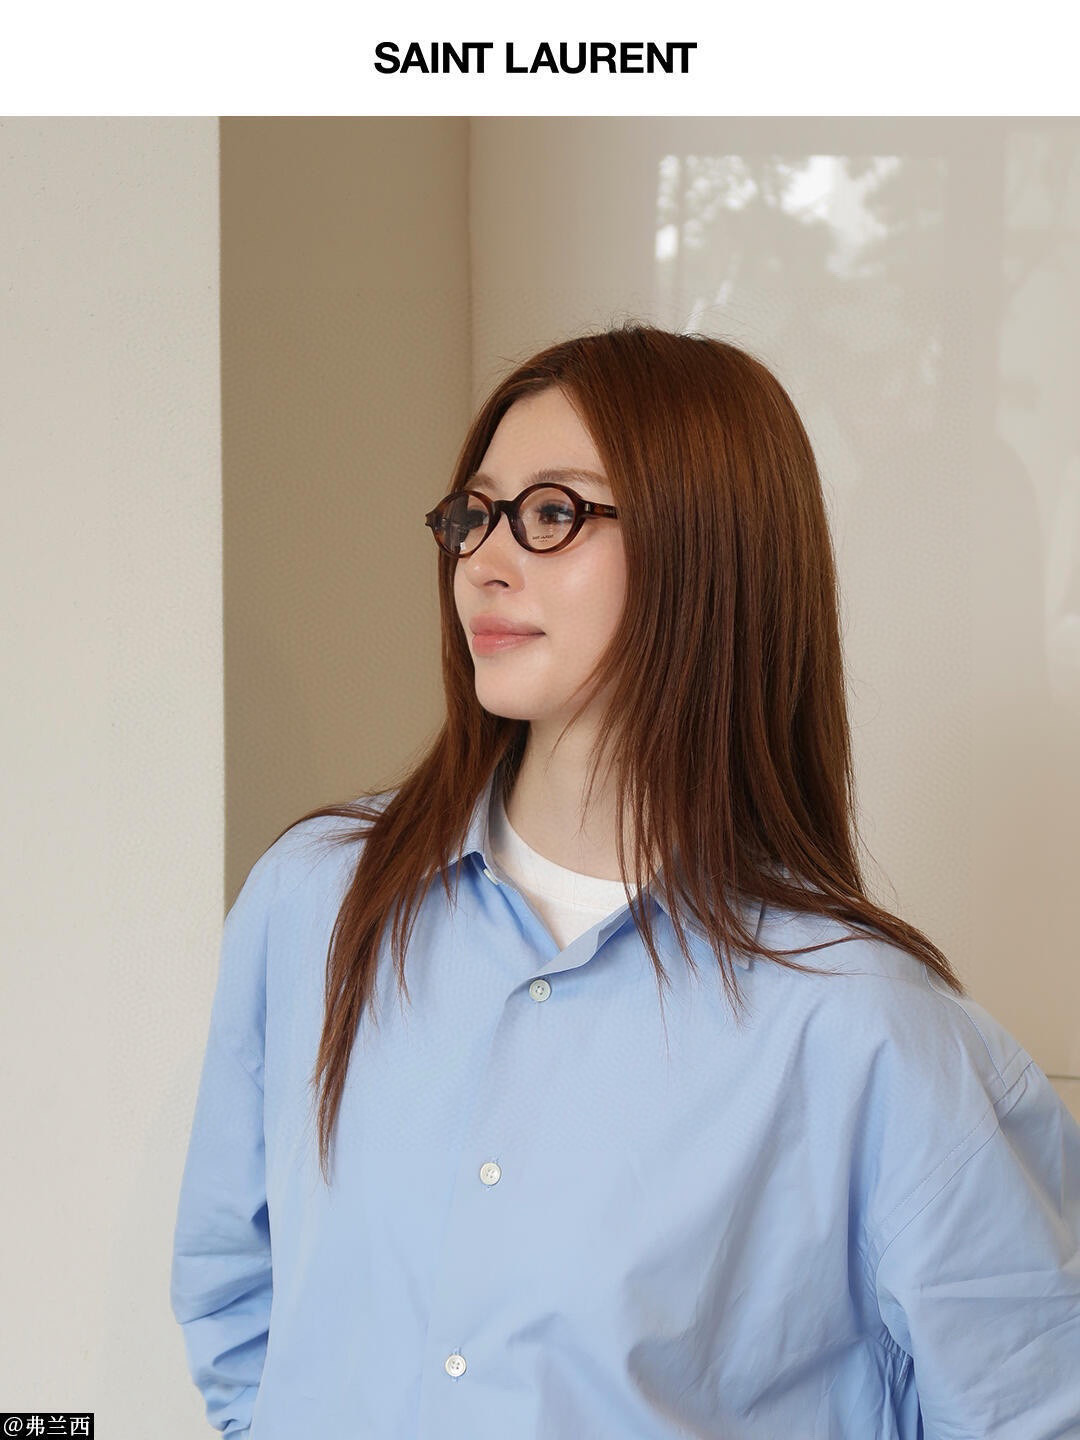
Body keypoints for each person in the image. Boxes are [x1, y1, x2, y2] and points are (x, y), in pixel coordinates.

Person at [170, 323, 1080, 1439]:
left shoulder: (865, 1028)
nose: (483, 561)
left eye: (553, 514)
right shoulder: (314, 901)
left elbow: (1030, 1407)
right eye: (473, 515)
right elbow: (237, 1303)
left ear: (710, 549)